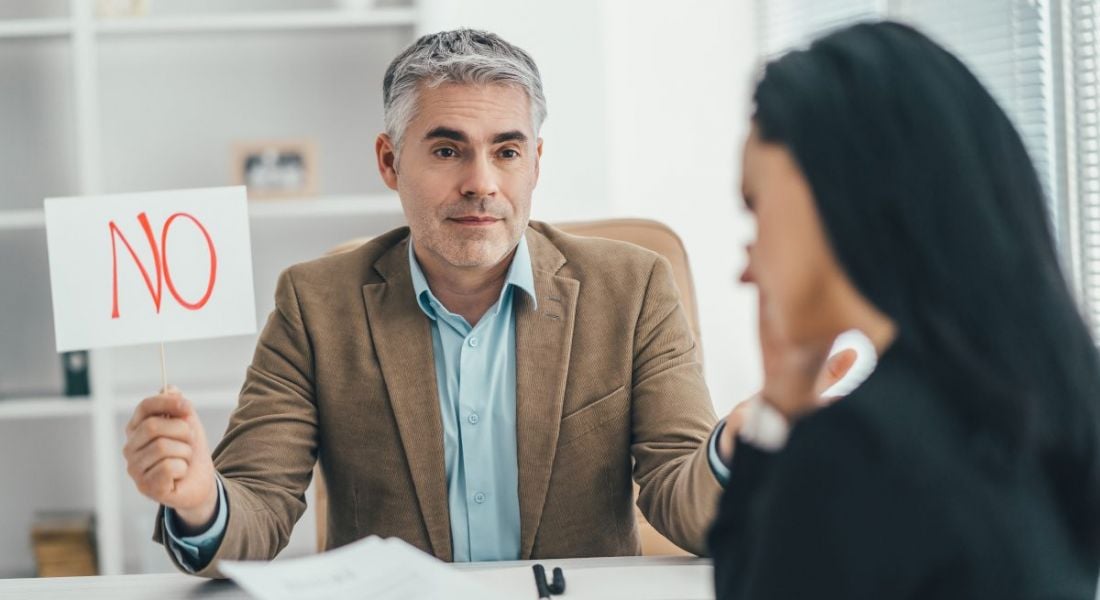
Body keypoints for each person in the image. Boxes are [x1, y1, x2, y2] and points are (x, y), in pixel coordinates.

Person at [121, 28, 740, 578]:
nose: (481, 181)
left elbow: (685, 504)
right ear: (390, 162)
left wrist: (741, 444)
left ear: (535, 163)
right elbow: (258, 509)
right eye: (447, 151)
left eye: (507, 151)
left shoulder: (634, 290)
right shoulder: (315, 304)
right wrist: (201, 499)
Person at [708, 20, 1100, 599]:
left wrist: (779, 425)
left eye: (755, 205)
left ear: (828, 189)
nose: (747, 264)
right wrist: (782, 401)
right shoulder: (1038, 414)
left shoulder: (858, 454)